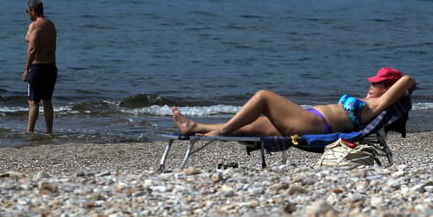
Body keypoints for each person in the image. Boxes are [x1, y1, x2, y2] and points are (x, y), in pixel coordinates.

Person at [173, 67, 414, 137]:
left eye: (377, 83)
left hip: (314, 125)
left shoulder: (376, 105)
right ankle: (194, 127)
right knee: (253, 125)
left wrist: (394, 88)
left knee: (263, 96)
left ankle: (222, 130)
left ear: (388, 88)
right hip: (309, 118)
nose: (371, 85)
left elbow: (407, 79)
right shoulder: (368, 100)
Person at [22, 0, 58, 134]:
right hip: (51, 67)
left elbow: (32, 49)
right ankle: (49, 131)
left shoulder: (35, 25)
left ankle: (29, 131)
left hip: (38, 68)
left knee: (33, 102)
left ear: (33, 11)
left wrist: (26, 69)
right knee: (47, 101)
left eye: (27, 11)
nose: (27, 14)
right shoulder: (51, 24)